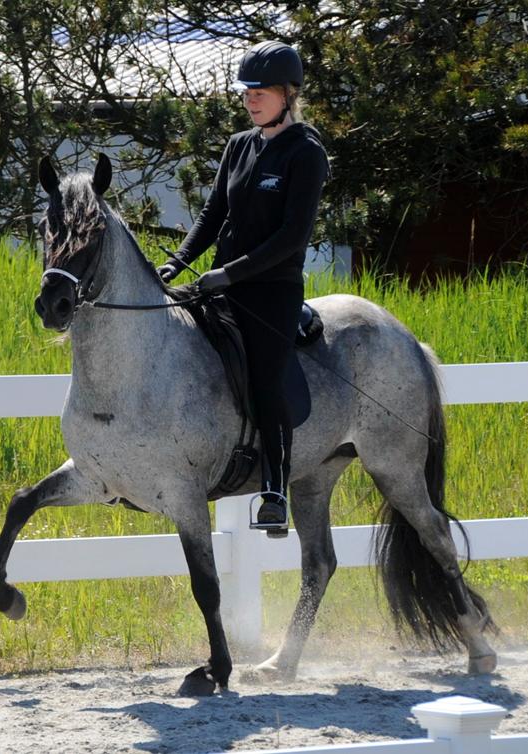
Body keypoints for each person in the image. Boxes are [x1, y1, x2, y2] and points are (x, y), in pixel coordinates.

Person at [158, 40, 330, 532]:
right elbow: (213, 215)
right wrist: (175, 264)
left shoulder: (306, 154)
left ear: (288, 94)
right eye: (247, 92)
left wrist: (229, 275)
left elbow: (291, 238)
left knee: (265, 379)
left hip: (271, 291)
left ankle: (274, 490)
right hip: (221, 283)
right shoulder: (239, 145)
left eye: (261, 92)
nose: (251, 100)